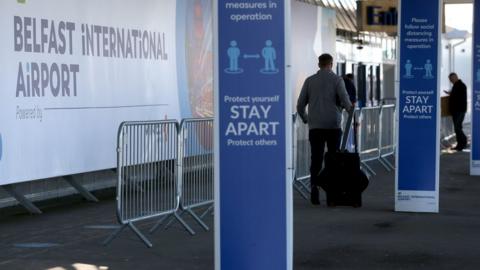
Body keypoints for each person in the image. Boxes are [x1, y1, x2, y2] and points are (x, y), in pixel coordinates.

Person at [297, 54, 353, 205]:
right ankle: (332, 194)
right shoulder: (337, 80)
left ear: (319, 64)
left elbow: (300, 105)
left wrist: (306, 119)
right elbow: (346, 101)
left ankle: (314, 188)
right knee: (333, 160)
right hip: (333, 126)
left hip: (315, 127)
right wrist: (351, 113)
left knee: (316, 159)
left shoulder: (309, 81)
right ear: (331, 64)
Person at [444, 72, 467, 151]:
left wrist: (451, 94)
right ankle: (461, 144)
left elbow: (457, 97)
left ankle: (462, 143)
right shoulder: (457, 85)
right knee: (458, 127)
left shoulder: (460, 85)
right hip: (458, 110)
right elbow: (456, 95)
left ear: (456, 77)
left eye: (451, 79)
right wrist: (451, 93)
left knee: (457, 128)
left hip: (459, 110)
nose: (450, 81)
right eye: (450, 79)